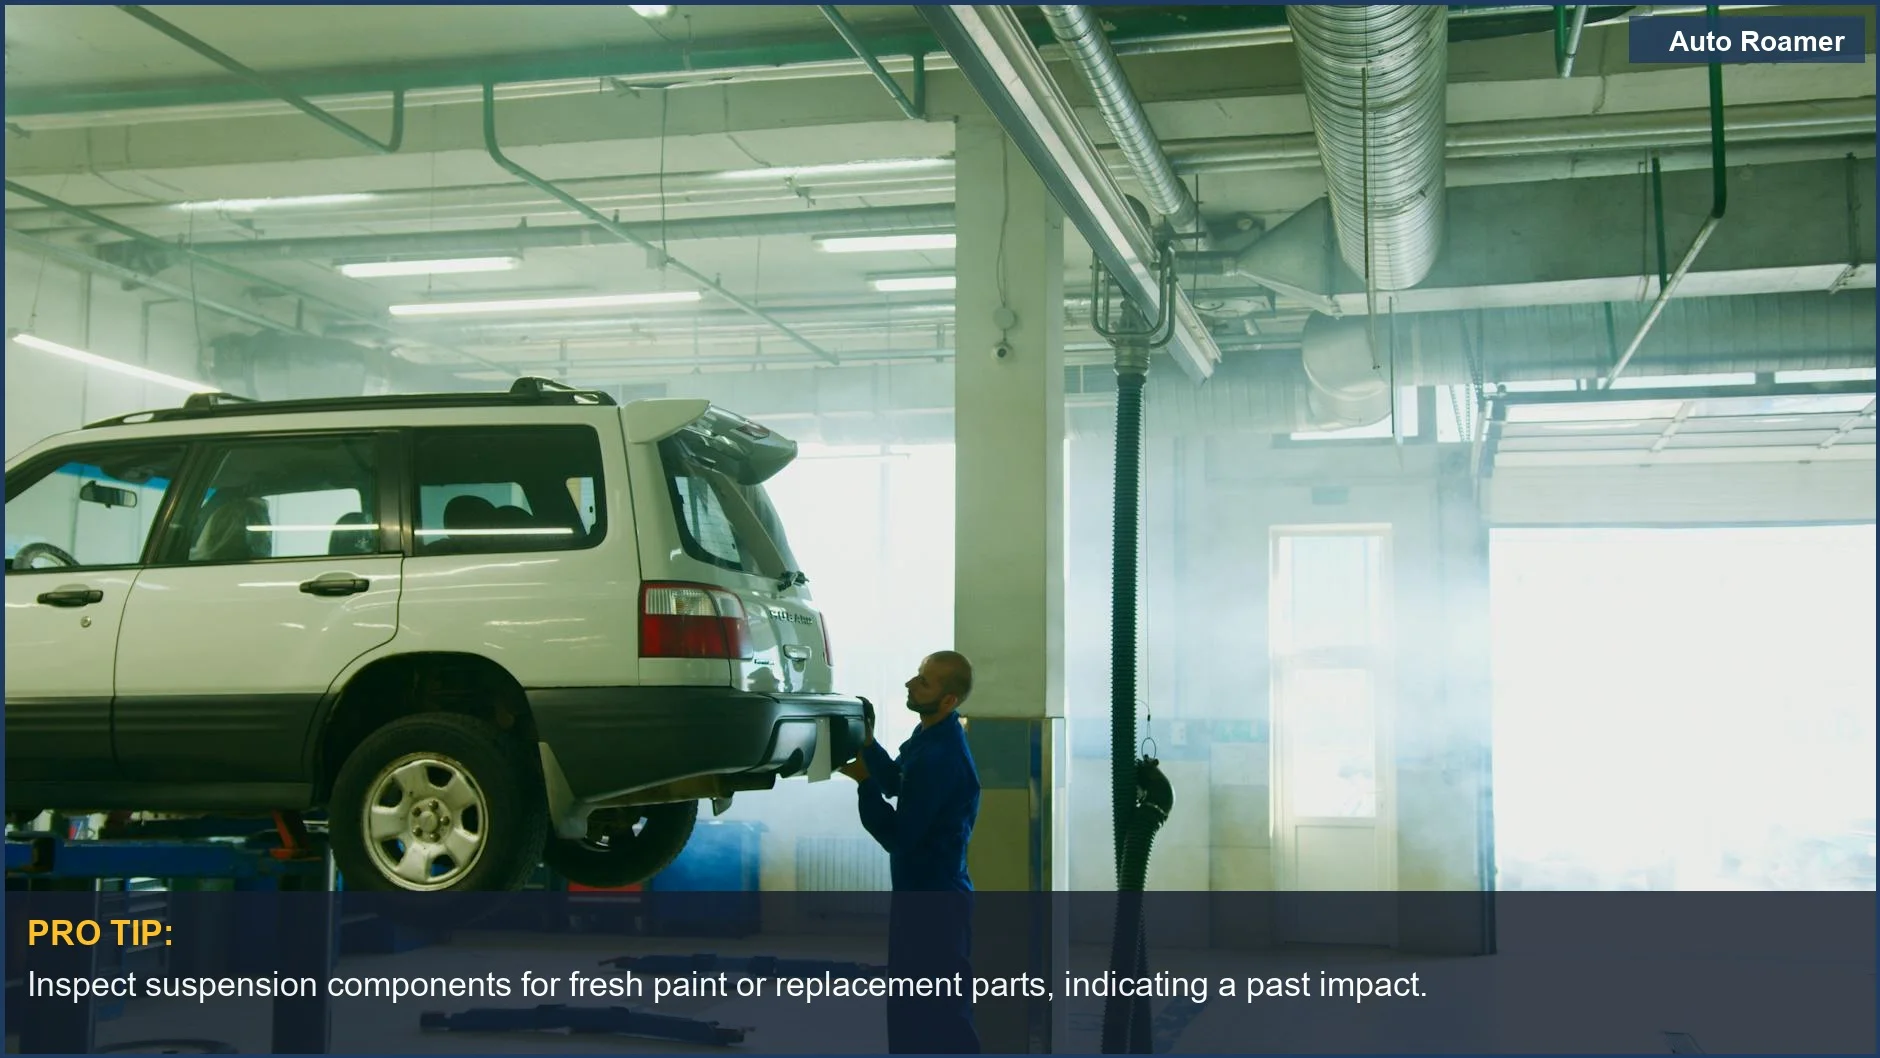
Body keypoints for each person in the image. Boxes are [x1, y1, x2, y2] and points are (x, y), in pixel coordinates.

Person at [842, 650, 982, 1054]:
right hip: (921, 893)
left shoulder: (942, 756)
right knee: (912, 1004)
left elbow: (899, 835)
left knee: (938, 1010)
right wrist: (868, 745)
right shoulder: (930, 737)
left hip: (934, 902)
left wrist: (865, 785)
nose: (910, 683)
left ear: (948, 700)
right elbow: (898, 781)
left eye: (923, 681)